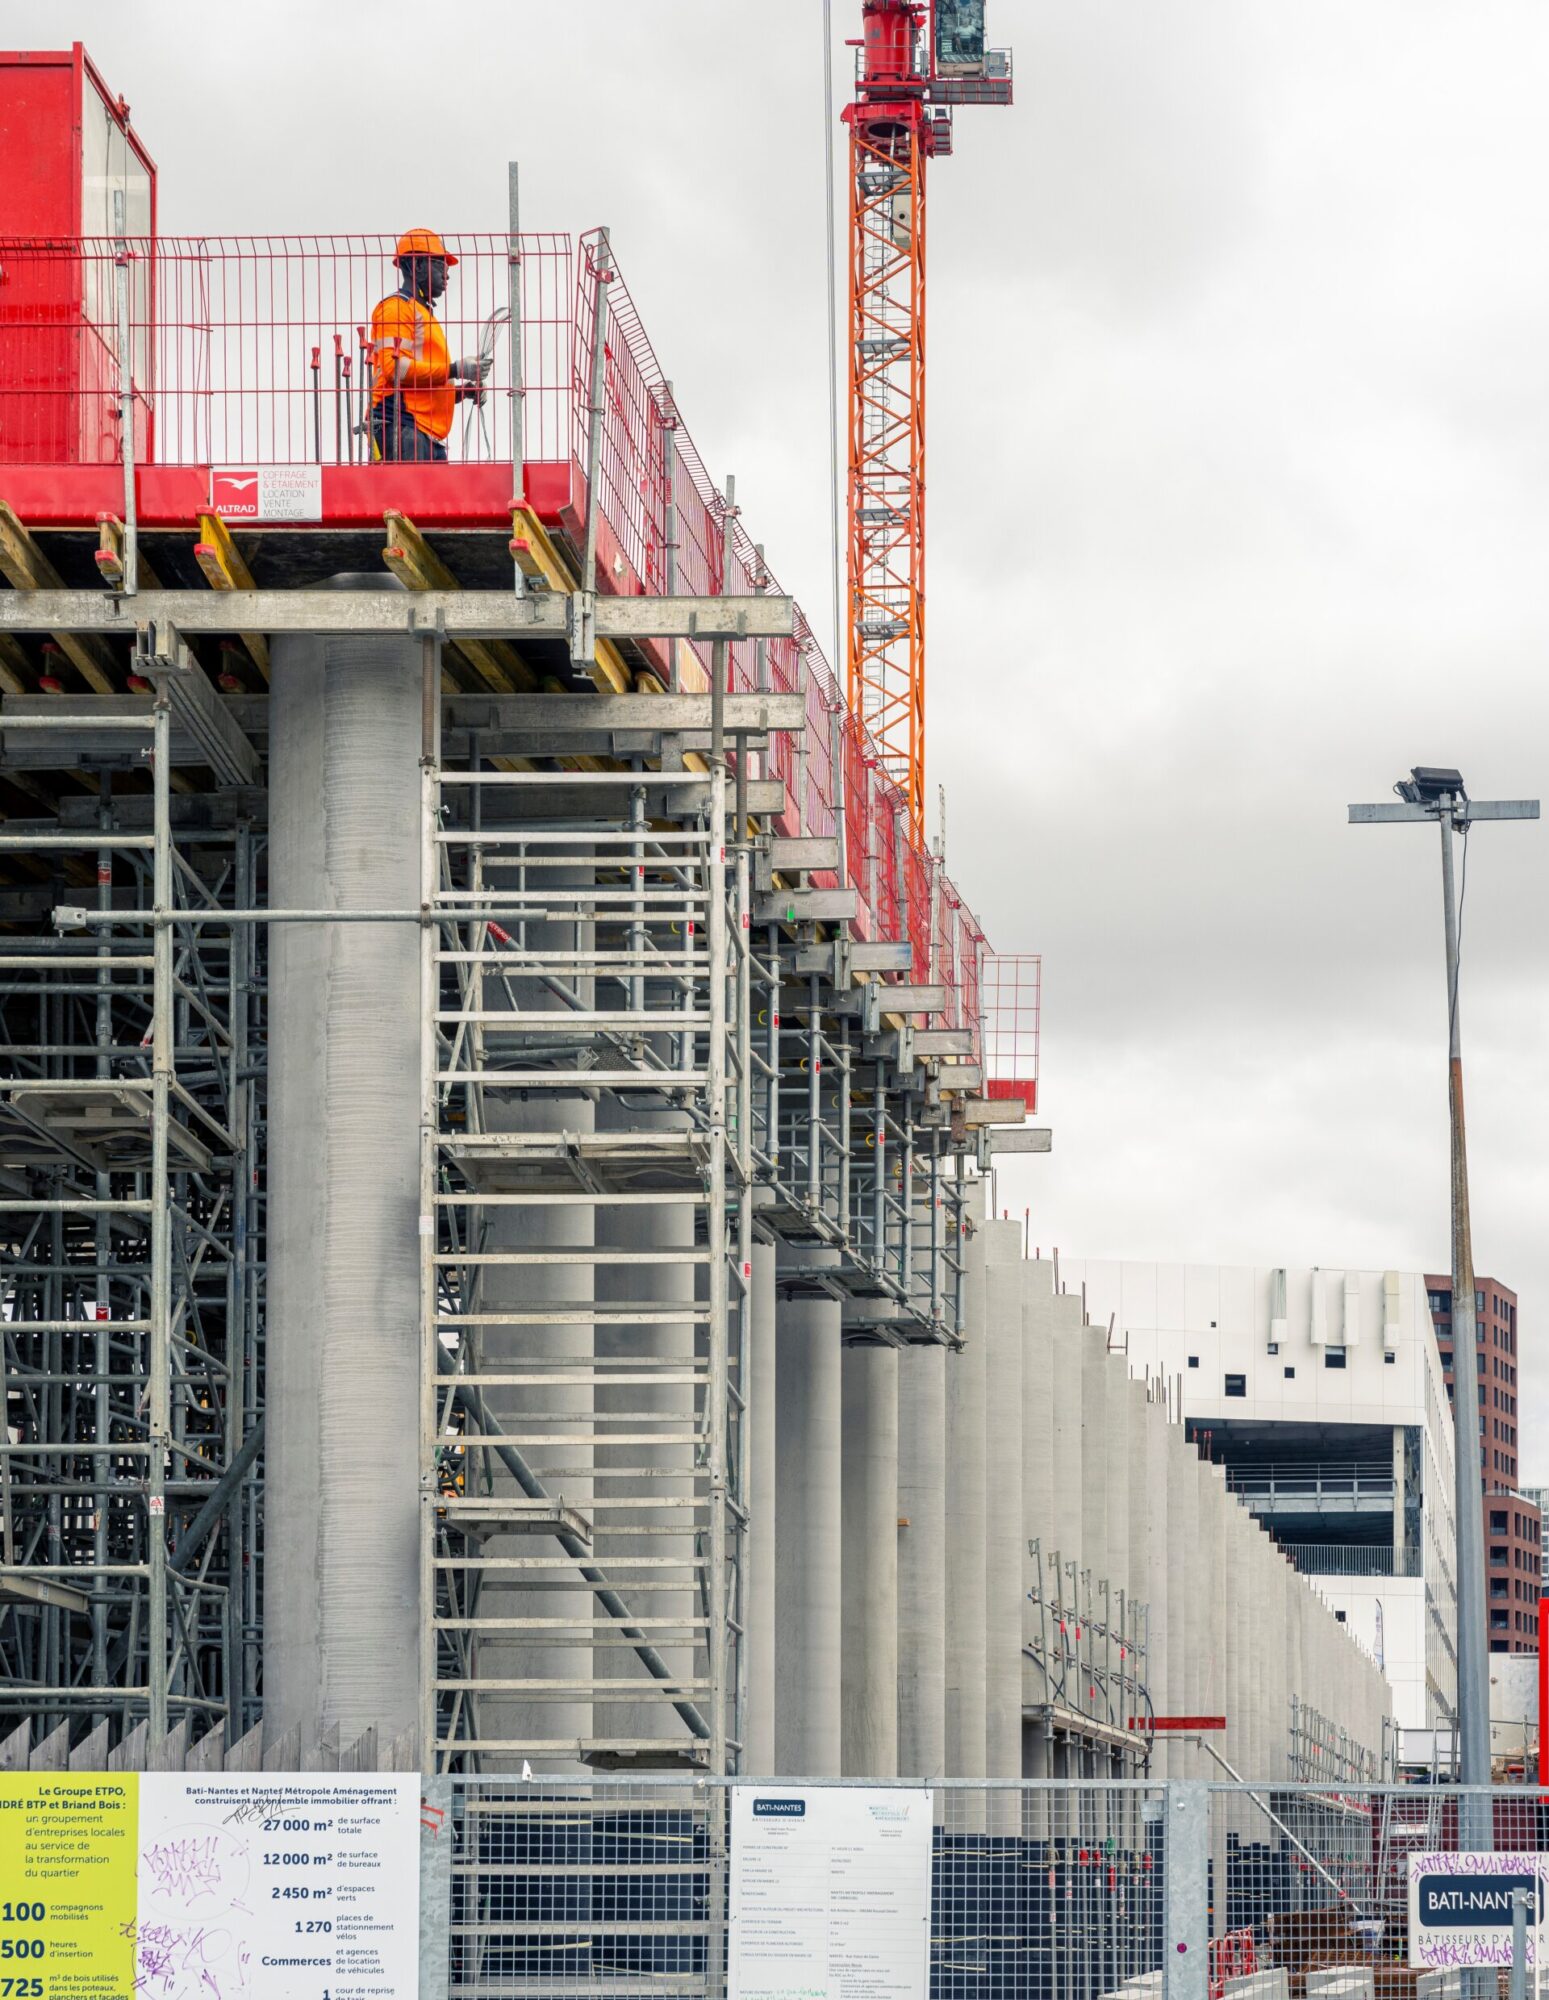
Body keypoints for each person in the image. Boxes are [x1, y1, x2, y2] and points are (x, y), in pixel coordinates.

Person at [370, 229, 490, 462]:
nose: (446, 274)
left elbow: (418, 389)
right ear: (417, 266)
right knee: (407, 499)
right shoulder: (396, 308)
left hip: (420, 434)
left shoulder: (422, 312)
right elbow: (396, 370)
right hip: (400, 430)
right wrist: (455, 369)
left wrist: (461, 391)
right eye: (440, 263)